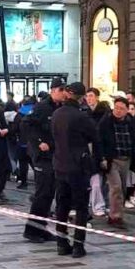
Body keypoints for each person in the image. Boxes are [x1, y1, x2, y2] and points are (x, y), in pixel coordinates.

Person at [51, 82, 98, 257]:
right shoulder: (81, 117)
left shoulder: (56, 114)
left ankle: (61, 243)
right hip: (78, 167)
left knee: (62, 206)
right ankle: (78, 245)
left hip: (60, 164)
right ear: (82, 97)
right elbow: (93, 136)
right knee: (81, 208)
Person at [21, 78, 66, 242]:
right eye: (60, 90)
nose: (63, 93)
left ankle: (42, 228)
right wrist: (39, 143)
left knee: (49, 195)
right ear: (53, 90)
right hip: (42, 157)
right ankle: (31, 230)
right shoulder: (42, 107)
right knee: (42, 193)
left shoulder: (62, 108)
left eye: (64, 89)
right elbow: (26, 124)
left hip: (55, 155)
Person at [98, 95, 135, 229]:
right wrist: (102, 158)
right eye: (116, 108)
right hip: (112, 159)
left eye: (121, 109)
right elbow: (99, 141)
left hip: (126, 159)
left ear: (127, 110)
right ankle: (115, 216)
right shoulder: (106, 121)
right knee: (115, 187)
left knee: (122, 188)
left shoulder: (130, 121)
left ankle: (117, 214)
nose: (117, 111)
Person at [87, 89, 110, 217]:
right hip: (92, 151)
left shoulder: (104, 113)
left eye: (91, 96)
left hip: (103, 150)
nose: (89, 99)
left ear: (97, 97)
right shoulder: (85, 112)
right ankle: (98, 205)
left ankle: (101, 204)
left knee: (104, 181)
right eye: (87, 96)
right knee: (96, 180)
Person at [12, 96, 34, 188]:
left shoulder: (19, 114)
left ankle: (24, 182)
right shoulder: (36, 112)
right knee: (34, 163)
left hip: (22, 143)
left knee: (23, 164)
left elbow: (15, 128)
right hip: (33, 143)